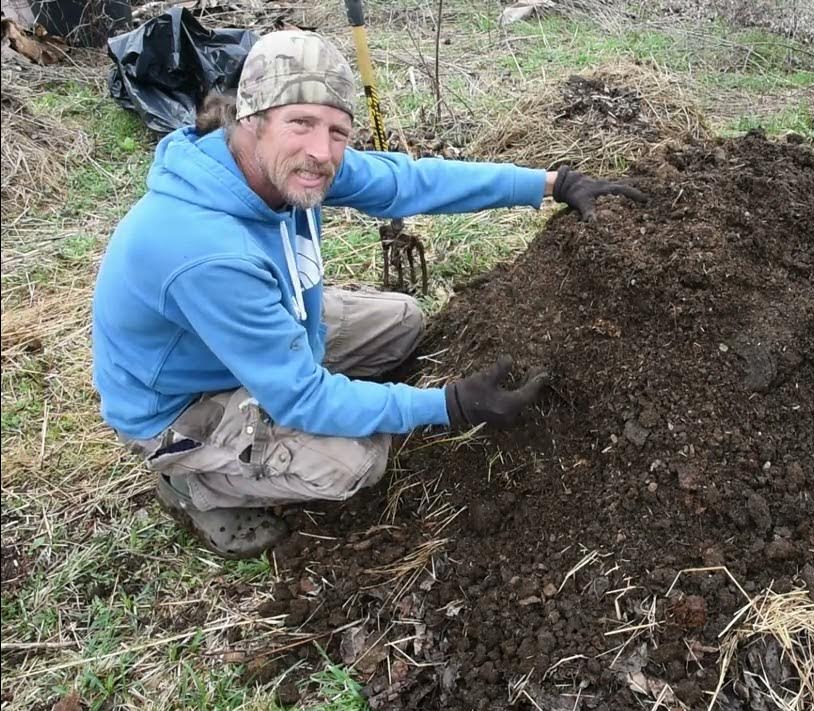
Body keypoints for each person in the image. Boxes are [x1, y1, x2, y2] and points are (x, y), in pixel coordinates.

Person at [91, 30, 647, 559]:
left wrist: (550, 184)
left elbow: (407, 183)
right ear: (251, 119)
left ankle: (282, 409)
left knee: (402, 320)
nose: (321, 151)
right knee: (353, 460)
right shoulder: (207, 250)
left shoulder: (278, 164)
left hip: (242, 343)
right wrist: (447, 404)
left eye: (337, 131)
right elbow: (301, 399)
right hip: (182, 405)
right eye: (301, 123)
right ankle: (194, 484)